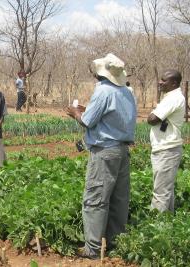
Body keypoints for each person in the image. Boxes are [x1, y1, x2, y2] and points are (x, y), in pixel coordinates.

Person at [65, 53, 137, 259]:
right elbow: (112, 118)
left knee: (95, 199)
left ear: (101, 74)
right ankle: (116, 243)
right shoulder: (126, 91)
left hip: (104, 151)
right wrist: (87, 111)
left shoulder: (103, 90)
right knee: (118, 199)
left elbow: (87, 121)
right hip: (122, 151)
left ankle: (93, 249)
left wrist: (75, 112)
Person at [147, 70, 185, 212]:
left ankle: (156, 227)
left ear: (174, 83)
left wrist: (153, 112)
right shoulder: (170, 97)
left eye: (164, 81)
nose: (160, 82)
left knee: (161, 192)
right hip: (165, 149)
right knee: (166, 191)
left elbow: (152, 119)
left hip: (167, 149)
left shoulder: (173, 98)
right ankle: (167, 225)